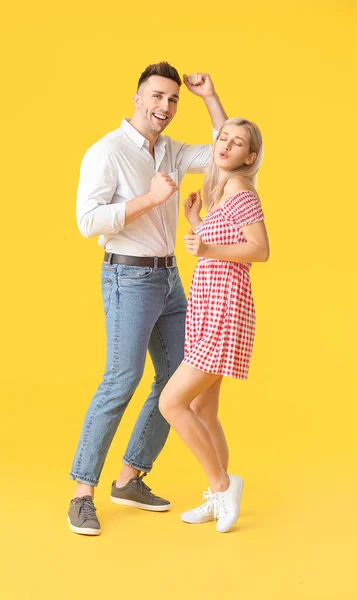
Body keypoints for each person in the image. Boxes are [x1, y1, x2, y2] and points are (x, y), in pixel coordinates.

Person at [67, 62, 228, 535]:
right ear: (137, 97)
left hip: (169, 279)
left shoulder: (172, 151)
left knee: (179, 383)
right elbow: (88, 221)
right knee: (122, 379)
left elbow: (227, 149)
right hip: (129, 279)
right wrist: (151, 199)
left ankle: (130, 477)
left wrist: (210, 98)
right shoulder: (108, 151)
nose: (165, 106)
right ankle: (81, 493)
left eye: (173, 99)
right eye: (157, 96)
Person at [159, 117, 270, 533]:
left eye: (236, 142)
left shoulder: (241, 191)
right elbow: (221, 244)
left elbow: (259, 250)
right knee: (204, 408)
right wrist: (195, 222)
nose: (224, 145)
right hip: (209, 308)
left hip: (224, 310)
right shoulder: (222, 191)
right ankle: (218, 496)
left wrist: (204, 242)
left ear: (249, 157)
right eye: (222, 138)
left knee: (171, 403)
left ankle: (223, 485)